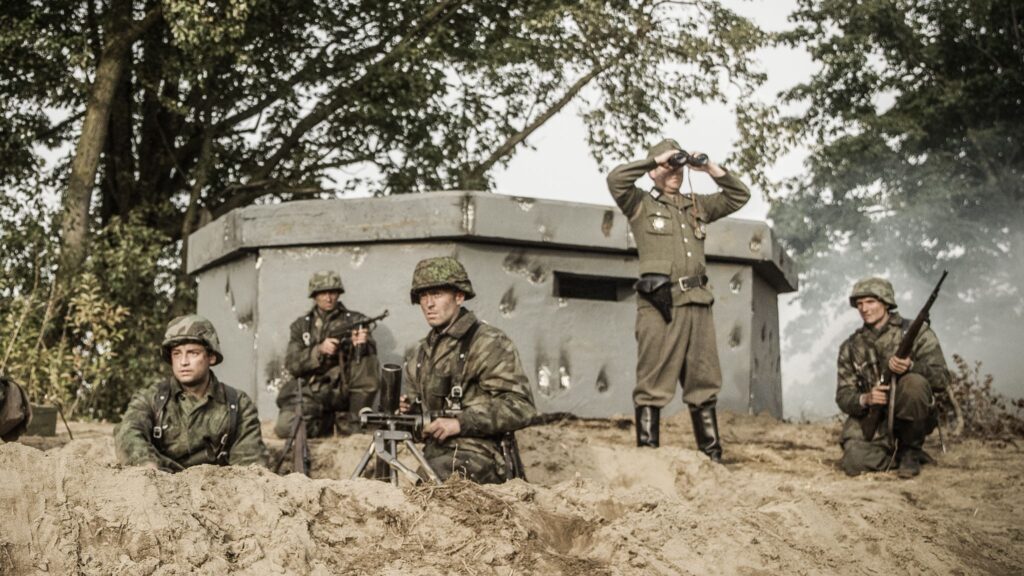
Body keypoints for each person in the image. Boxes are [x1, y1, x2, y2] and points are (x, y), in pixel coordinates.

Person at [607, 138, 750, 460]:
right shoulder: (640, 203)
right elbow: (616, 179)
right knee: (652, 379)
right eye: (668, 167)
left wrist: (708, 167)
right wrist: (656, 160)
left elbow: (739, 196)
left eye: (679, 167)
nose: (674, 172)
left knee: (704, 380)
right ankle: (648, 459)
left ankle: (711, 456)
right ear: (654, 171)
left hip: (698, 302)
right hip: (661, 304)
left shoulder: (696, 206)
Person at [398, 256, 536, 484]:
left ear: (459, 296)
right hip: (433, 456)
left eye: (437, 294)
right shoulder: (420, 354)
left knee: (430, 488)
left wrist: (461, 422)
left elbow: (521, 407)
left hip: (481, 454)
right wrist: (410, 415)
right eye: (423, 296)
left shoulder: (488, 343)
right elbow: (421, 422)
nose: (429, 304)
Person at [115, 315, 268, 471]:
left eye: (193, 353)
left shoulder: (238, 404)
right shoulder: (151, 398)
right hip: (160, 486)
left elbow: (249, 463)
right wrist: (147, 466)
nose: (183, 362)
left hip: (217, 491)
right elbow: (128, 432)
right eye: (177, 354)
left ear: (211, 357)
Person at [836, 277, 950, 478]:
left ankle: (910, 451)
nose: (864, 308)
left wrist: (911, 367)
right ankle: (901, 457)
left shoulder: (916, 333)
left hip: (911, 415)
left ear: (886, 302)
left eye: (871, 302)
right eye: (859, 304)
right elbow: (843, 395)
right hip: (874, 419)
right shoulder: (851, 346)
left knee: (913, 384)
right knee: (853, 462)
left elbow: (942, 378)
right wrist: (866, 399)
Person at [274, 270, 381, 438]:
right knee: (285, 427)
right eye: (323, 293)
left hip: (343, 390)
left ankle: (353, 420)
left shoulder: (355, 320)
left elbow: (368, 368)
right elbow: (292, 364)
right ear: (314, 296)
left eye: (333, 292)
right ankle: (329, 422)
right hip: (313, 392)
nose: (329, 298)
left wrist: (362, 344)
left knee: (368, 357)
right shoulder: (301, 327)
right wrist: (318, 351)